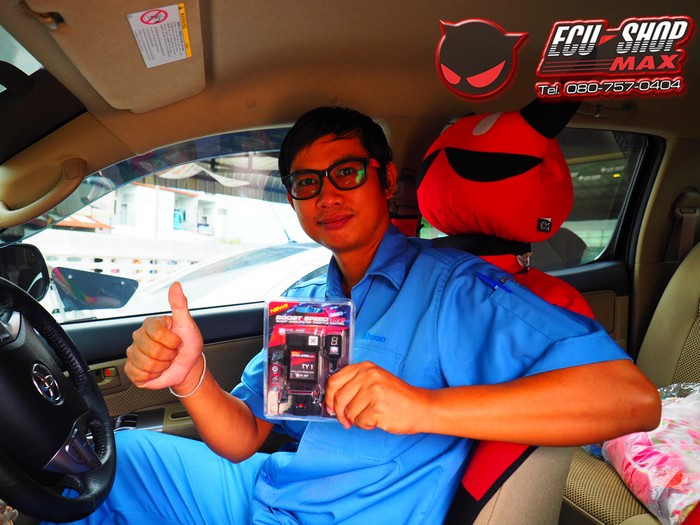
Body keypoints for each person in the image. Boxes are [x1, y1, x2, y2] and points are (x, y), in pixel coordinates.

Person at [47, 106, 661, 525]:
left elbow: (630, 400)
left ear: (386, 181)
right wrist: (191, 377)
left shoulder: (456, 290)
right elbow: (247, 437)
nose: (328, 196)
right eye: (306, 183)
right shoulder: (310, 298)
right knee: (102, 464)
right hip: (264, 490)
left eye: (346, 173)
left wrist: (422, 407)